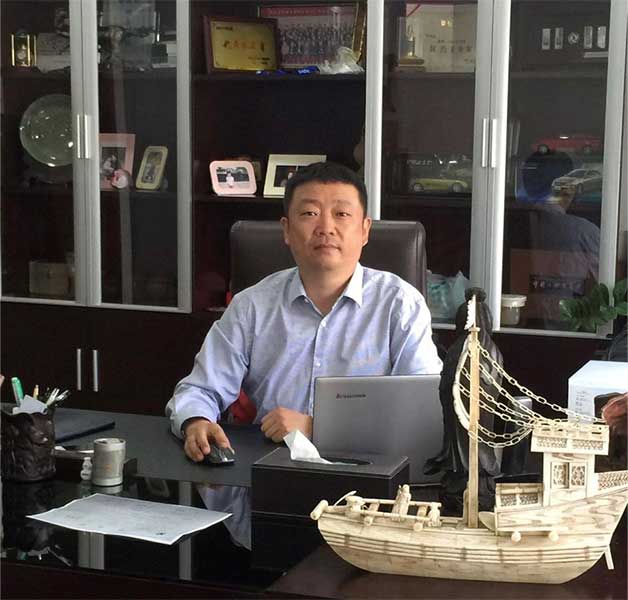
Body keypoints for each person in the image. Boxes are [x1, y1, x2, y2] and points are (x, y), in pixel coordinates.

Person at [166, 161, 442, 462]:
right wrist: (196, 421)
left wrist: (316, 428)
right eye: (310, 213)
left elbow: (421, 414)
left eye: (342, 214)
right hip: (269, 467)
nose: (326, 228)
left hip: (368, 473)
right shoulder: (251, 306)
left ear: (364, 231)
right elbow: (200, 389)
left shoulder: (400, 305)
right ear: (286, 229)